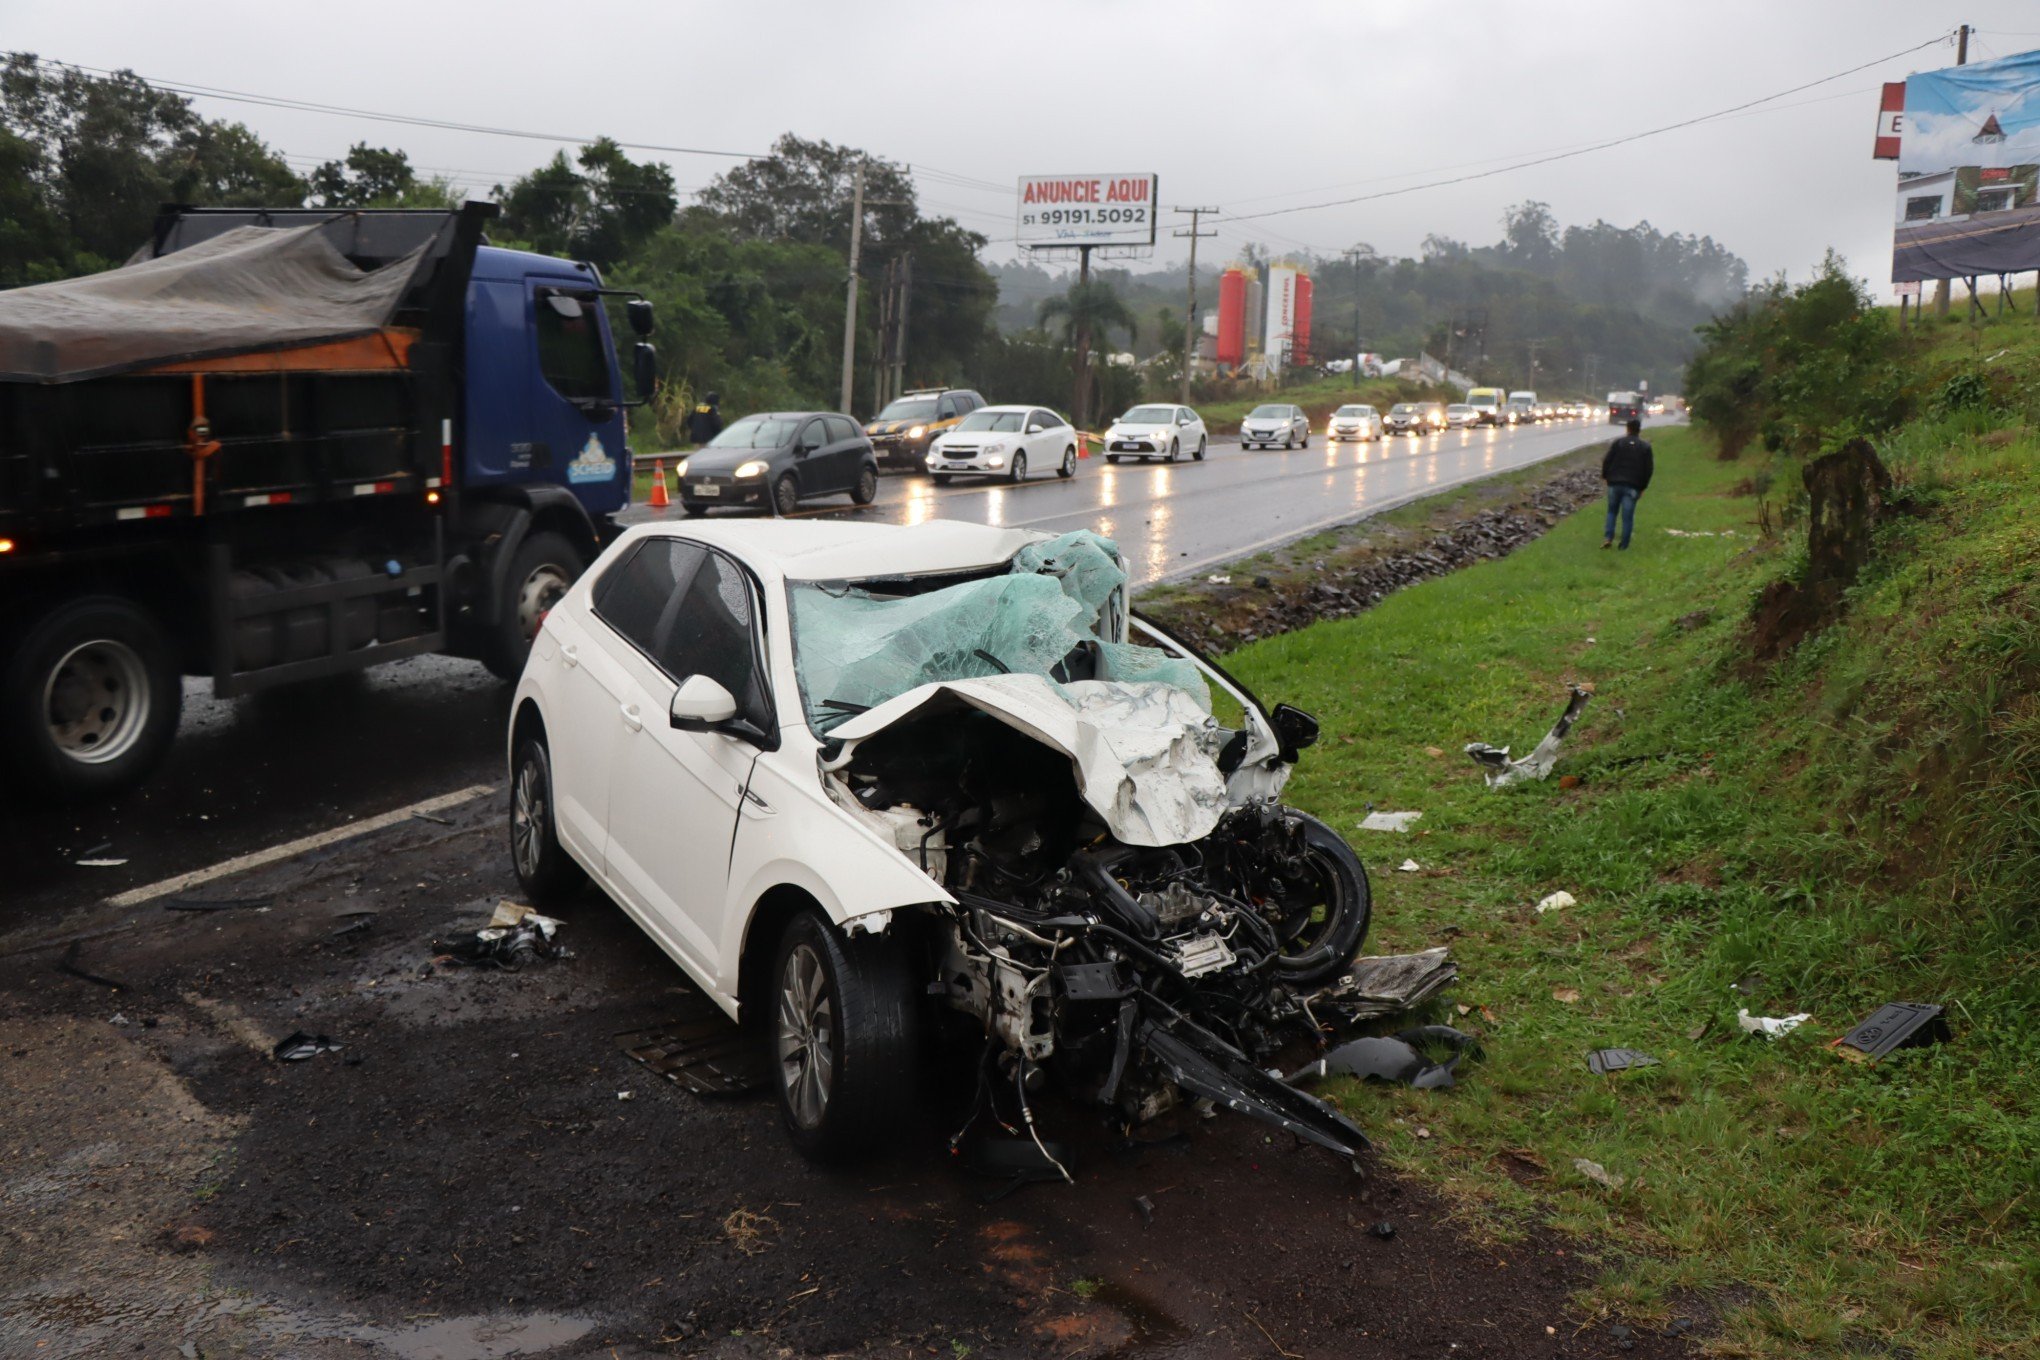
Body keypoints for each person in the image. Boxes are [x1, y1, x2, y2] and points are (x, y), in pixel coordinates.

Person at [1601, 418, 1653, 550]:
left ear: (1627, 429)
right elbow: (1648, 469)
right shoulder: (1645, 447)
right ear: (1639, 430)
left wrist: (1606, 476)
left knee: (1612, 512)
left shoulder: (1618, 443)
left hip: (1615, 482)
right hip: (1633, 485)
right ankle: (1624, 545)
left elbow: (1607, 460)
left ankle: (1608, 537)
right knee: (1627, 517)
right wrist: (1643, 487)